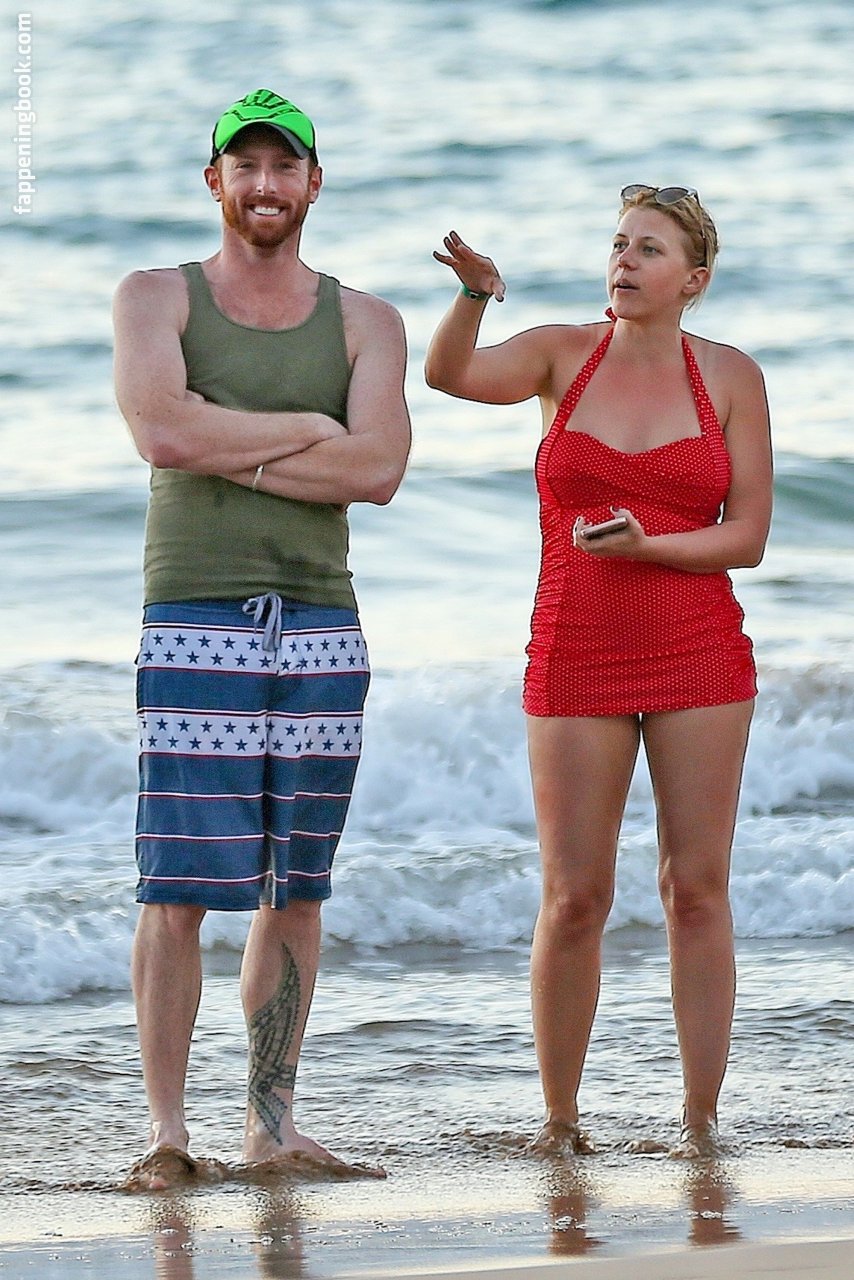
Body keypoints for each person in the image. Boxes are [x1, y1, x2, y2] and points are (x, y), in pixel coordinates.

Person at [426, 185, 772, 1158]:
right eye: (618, 243)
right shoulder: (558, 354)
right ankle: (560, 1122)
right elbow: (449, 375)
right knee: (574, 896)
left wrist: (649, 547)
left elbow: (746, 535)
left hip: (699, 652)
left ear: (693, 279)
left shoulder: (731, 377)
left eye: (649, 249)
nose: (624, 259)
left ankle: (700, 1124)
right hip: (573, 647)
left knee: (694, 887)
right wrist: (474, 295)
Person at [113, 88, 411, 1189]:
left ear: (314, 183)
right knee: (176, 885)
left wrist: (224, 443)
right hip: (195, 611)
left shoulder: (367, 320)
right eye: (245, 166)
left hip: (323, 621)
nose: (265, 184)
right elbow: (161, 429)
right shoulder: (156, 297)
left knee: (298, 886)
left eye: (285, 167)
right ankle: (167, 1133)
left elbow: (378, 468)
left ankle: (269, 1126)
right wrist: (304, 431)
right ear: (215, 181)